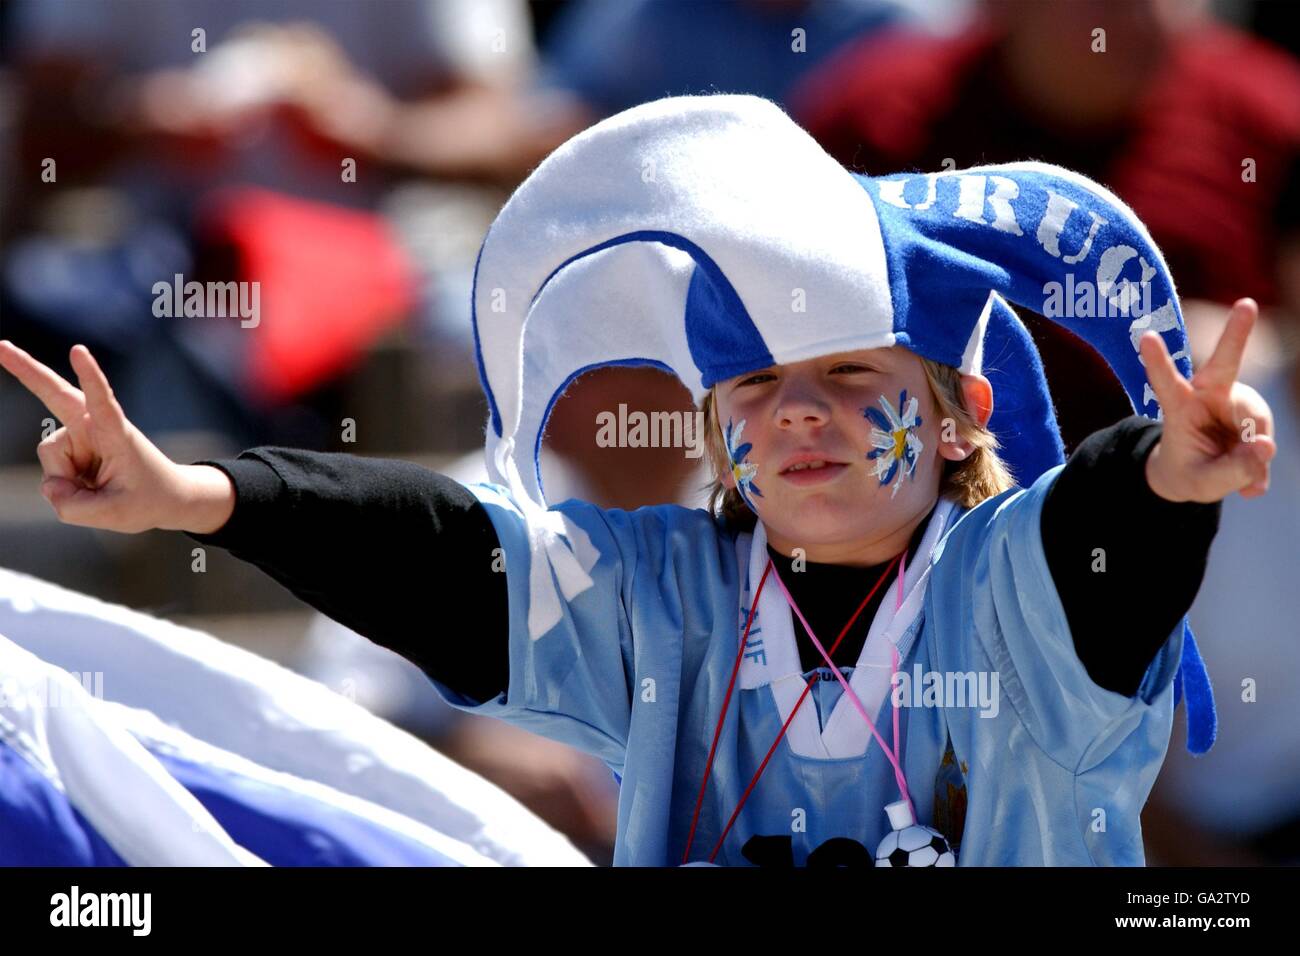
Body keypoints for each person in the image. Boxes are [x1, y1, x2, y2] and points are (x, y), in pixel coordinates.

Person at [0, 95, 1277, 866]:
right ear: (718, 432)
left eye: (847, 371)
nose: (801, 415)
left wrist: (1169, 468)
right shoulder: (671, 594)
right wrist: (197, 496)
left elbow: (1100, 541)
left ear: (958, 419)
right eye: (758, 389)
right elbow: (449, 552)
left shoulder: (1014, 586)